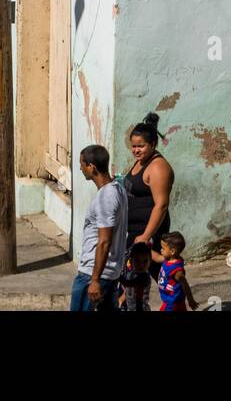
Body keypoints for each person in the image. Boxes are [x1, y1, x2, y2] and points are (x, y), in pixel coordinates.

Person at [70, 144, 127, 312]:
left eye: (82, 164)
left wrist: (94, 280)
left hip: (93, 274)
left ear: (91, 167)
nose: (80, 168)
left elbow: (104, 241)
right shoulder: (117, 189)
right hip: (108, 273)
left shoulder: (106, 197)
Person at [125, 111, 174, 271]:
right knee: (133, 278)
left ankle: (179, 294)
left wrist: (146, 237)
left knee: (160, 274)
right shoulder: (139, 162)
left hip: (147, 232)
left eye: (141, 146)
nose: (136, 150)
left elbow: (161, 205)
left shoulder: (158, 167)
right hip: (134, 231)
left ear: (153, 144)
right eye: (133, 146)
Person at [154, 232, 198, 312]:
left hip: (172, 302)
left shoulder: (177, 271)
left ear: (172, 251)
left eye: (163, 248)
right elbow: (157, 258)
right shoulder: (168, 259)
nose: (161, 250)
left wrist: (190, 300)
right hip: (174, 300)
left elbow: (185, 285)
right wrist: (144, 246)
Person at [118, 241, 153, 312]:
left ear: (150, 261)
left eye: (145, 261)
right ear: (131, 261)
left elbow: (129, 283)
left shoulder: (144, 276)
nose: (141, 265)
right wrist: (122, 298)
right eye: (137, 261)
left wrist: (117, 277)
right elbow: (129, 288)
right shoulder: (131, 273)